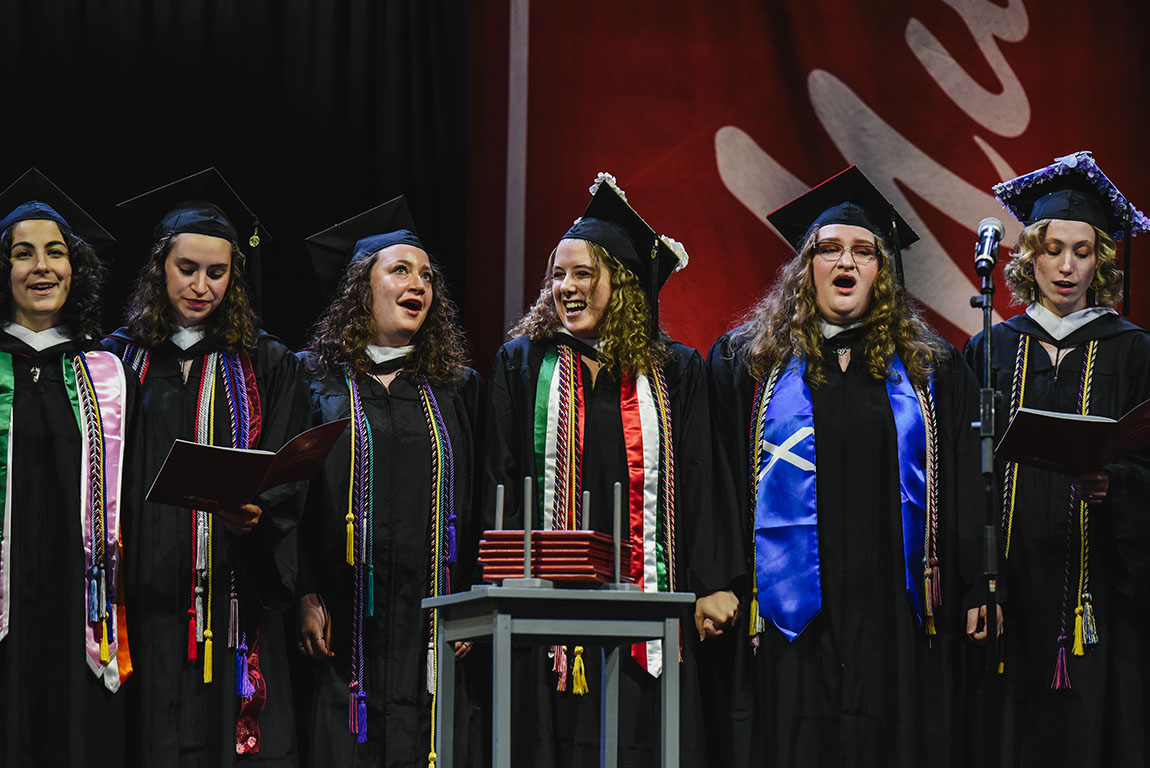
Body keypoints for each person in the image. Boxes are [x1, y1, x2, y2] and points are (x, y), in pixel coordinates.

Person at [706, 167, 985, 767]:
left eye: (863, 251)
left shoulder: (932, 370)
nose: (845, 263)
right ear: (804, 268)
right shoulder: (749, 365)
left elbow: (961, 485)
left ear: (884, 273)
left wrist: (977, 582)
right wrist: (718, 581)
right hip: (787, 619)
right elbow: (718, 481)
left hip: (894, 615)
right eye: (828, 250)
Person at [483, 172, 740, 767]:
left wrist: (713, 582)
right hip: (543, 616)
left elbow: (701, 475)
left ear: (621, 284)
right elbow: (501, 474)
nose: (564, 288)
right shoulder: (523, 365)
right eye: (556, 275)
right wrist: (502, 574)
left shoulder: (674, 371)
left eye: (581, 274)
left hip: (649, 612)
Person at [103, 168, 310, 767]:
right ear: (158, 269)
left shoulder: (268, 364)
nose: (201, 286)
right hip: (142, 591)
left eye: (216, 273)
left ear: (234, 277)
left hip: (231, 589)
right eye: (186, 269)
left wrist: (258, 513)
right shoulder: (118, 361)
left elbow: (285, 473)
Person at [964, 151, 1150, 766]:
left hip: (1099, 592)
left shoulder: (1134, 352)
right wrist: (975, 581)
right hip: (1007, 588)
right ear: (1028, 257)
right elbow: (961, 472)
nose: (1067, 267)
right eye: (1052, 249)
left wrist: (1117, 483)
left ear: (1102, 261)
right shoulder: (988, 348)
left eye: (1083, 251)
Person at [295, 197, 481, 767]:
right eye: (399, 270)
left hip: (429, 622)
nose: (417, 283)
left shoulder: (456, 386)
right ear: (361, 288)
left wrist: (472, 594)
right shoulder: (313, 379)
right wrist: (302, 591)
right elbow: (289, 497)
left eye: (426, 275)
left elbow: (477, 502)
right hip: (342, 624)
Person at [0, 169, 136, 765]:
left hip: (78, 605)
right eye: (22, 254)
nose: (41, 268)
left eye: (55, 253)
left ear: (75, 270)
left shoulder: (107, 375)